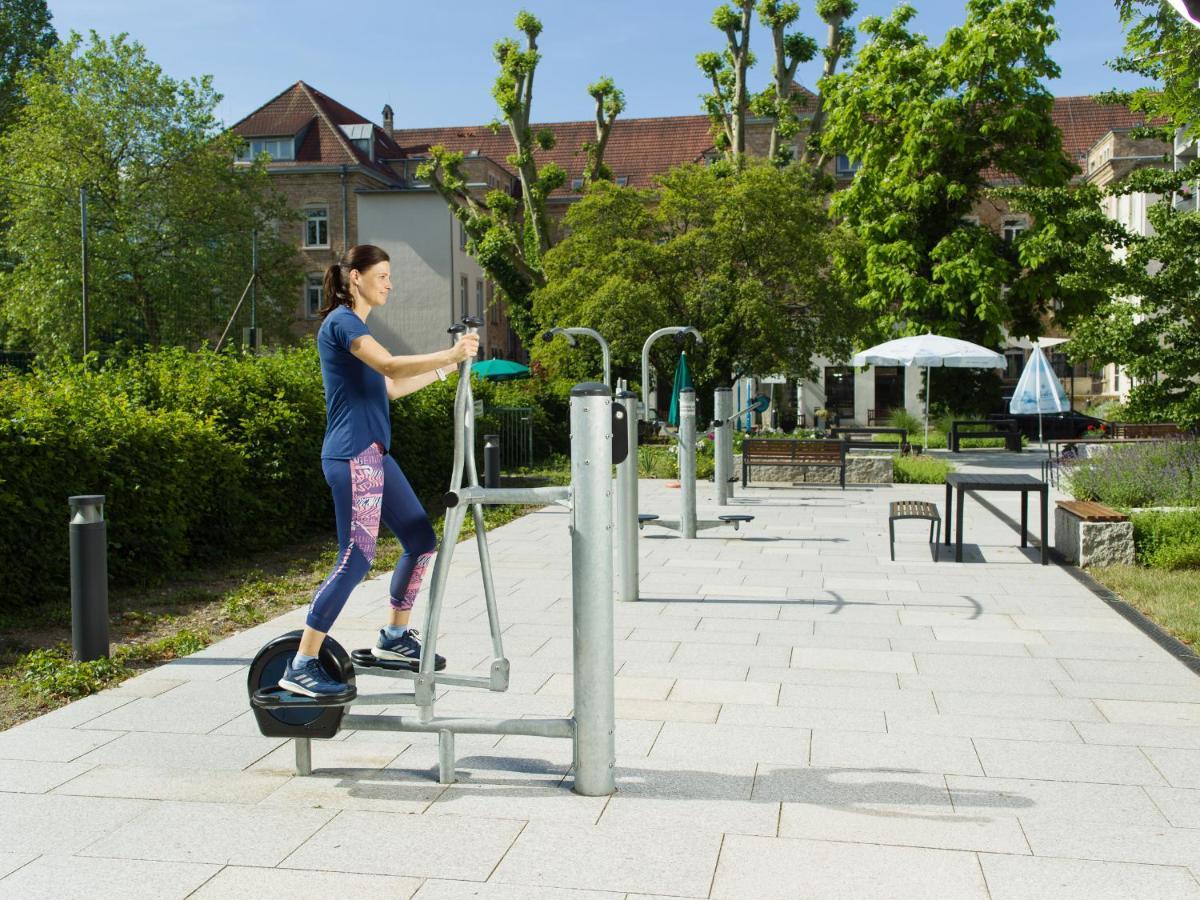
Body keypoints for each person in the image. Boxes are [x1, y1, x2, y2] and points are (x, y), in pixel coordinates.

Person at [279, 244, 479, 698]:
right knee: (357, 557)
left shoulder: (360, 328)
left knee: (420, 539)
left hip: (375, 455)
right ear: (356, 278)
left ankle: (394, 637)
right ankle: (301, 662)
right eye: (383, 275)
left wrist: (449, 368)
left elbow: (389, 386)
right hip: (352, 457)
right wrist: (449, 352)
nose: (390, 283)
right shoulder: (343, 322)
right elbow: (389, 363)